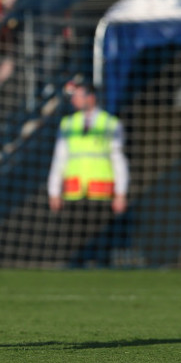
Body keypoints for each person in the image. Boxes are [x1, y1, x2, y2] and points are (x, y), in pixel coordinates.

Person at [46, 81, 130, 266]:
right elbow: (59, 159)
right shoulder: (68, 124)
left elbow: (119, 161)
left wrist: (121, 194)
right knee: (74, 248)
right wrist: (54, 192)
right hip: (74, 193)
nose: (74, 99)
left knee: (101, 247)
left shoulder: (110, 124)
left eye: (78, 95)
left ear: (91, 97)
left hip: (101, 194)